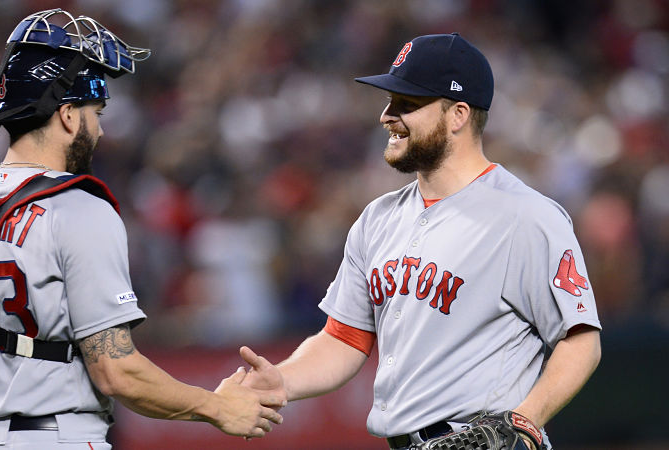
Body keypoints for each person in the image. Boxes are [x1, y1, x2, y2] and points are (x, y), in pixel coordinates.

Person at [0, 9, 282, 449]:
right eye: (97, 111)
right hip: (59, 437)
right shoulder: (78, 209)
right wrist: (218, 406)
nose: (102, 129)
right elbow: (117, 371)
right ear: (68, 115)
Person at [239, 32, 601, 450]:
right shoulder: (377, 218)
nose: (386, 116)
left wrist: (524, 423)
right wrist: (282, 379)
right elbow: (344, 338)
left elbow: (580, 340)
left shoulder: (526, 217)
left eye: (407, 104)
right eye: (391, 101)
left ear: (458, 115)